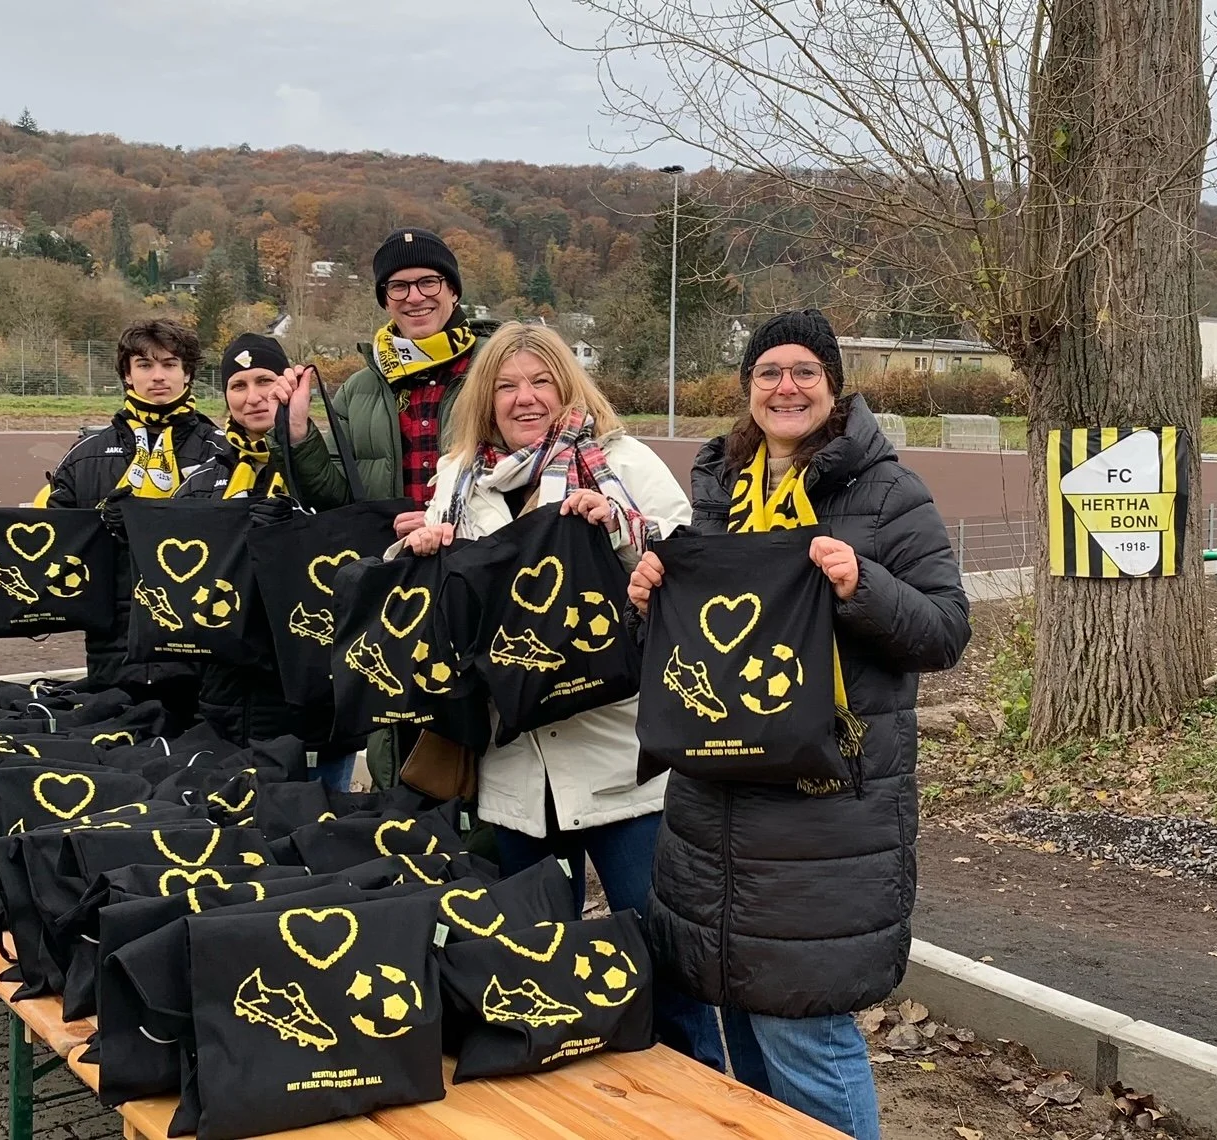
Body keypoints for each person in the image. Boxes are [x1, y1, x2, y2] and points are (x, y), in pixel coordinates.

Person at [627, 310, 971, 1139]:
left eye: (805, 371)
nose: (787, 386)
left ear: (833, 384)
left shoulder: (889, 493)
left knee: (804, 1033)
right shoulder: (716, 497)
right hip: (715, 808)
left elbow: (945, 629)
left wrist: (862, 588)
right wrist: (643, 604)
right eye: (769, 372)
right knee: (740, 1027)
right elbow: (699, 650)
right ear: (747, 390)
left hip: (825, 817)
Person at [401, 321, 724, 1072]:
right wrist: (416, 554)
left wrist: (615, 535)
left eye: (540, 381)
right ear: (486, 397)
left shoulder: (617, 460)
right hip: (516, 771)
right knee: (536, 974)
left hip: (620, 765)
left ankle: (700, 1102)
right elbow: (445, 602)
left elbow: (688, 565)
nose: (525, 398)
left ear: (567, 387)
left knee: (667, 966)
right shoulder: (461, 477)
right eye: (508, 385)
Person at [270, 226, 497, 789]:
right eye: (398, 286)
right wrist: (295, 433)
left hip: (483, 571)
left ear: (453, 291)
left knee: (492, 734)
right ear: (383, 297)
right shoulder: (360, 390)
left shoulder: (495, 373)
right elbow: (334, 496)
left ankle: (506, 864)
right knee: (402, 729)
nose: (414, 296)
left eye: (429, 282)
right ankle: (413, 855)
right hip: (398, 581)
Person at [175, 332, 355, 789]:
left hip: (310, 690)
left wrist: (290, 524)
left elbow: (347, 526)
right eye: (238, 385)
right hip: (228, 694)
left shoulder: (326, 465)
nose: (253, 397)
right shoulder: (200, 481)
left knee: (320, 825)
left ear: (289, 386)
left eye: (265, 380)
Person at [46, 320, 225, 716]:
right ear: (127, 375)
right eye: (144, 365)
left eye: (170, 364)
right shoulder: (83, 458)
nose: (158, 376)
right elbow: (56, 553)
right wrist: (100, 526)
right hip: (114, 655)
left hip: (202, 657)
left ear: (188, 373)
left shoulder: (223, 453)